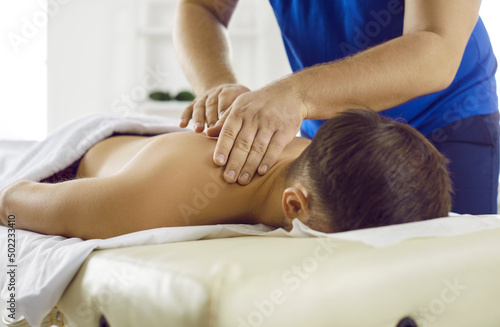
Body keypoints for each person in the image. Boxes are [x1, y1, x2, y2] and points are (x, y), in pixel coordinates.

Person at [173, 0, 498, 215]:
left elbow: (436, 48)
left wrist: (296, 94)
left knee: (446, 287)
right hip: (334, 134)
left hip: (446, 121)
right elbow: (201, 7)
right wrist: (217, 84)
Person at [0, 109, 451, 240]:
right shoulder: (155, 202)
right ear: (294, 206)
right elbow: (13, 201)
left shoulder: (330, 159)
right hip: (83, 155)